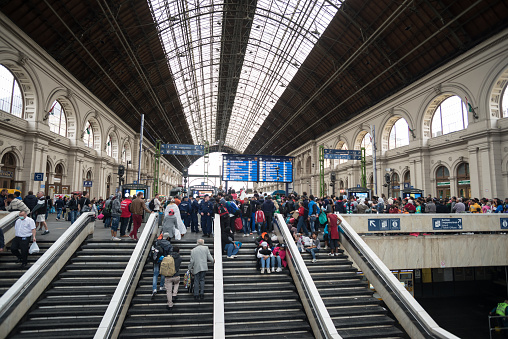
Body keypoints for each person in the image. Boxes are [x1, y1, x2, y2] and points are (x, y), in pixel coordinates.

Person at [151, 232, 173, 299]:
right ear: (168, 237)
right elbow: (170, 253)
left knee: (155, 274)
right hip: (164, 260)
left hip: (156, 260)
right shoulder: (168, 244)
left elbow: (152, 250)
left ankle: (154, 289)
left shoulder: (157, 242)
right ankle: (161, 286)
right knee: (163, 273)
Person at [164, 246, 182, 311]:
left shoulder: (168, 258)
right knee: (177, 283)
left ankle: (170, 304)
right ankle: (174, 294)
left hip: (168, 276)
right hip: (176, 275)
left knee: (168, 291)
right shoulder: (180, 259)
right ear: (178, 251)